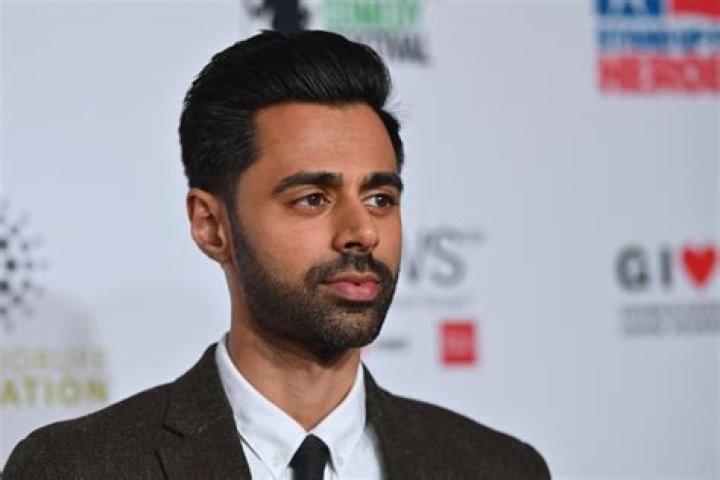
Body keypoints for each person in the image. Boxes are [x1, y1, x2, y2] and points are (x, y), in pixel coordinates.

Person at [3, 30, 550, 479]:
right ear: (211, 225)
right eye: (313, 199)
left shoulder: (499, 469)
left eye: (380, 198)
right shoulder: (75, 468)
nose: (362, 232)